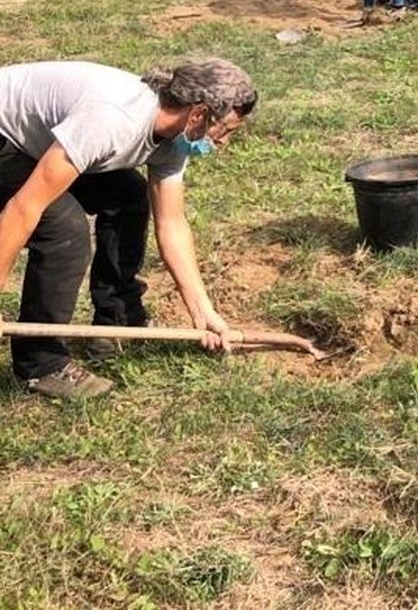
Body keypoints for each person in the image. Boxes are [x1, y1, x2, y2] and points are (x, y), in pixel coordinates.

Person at [0, 58, 257, 399]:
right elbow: (23, 207)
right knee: (65, 230)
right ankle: (41, 364)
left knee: (129, 195)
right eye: (224, 130)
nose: (223, 142)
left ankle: (117, 322)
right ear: (198, 114)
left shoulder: (173, 140)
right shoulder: (112, 120)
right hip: (5, 136)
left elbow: (172, 224)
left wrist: (202, 312)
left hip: (39, 141)